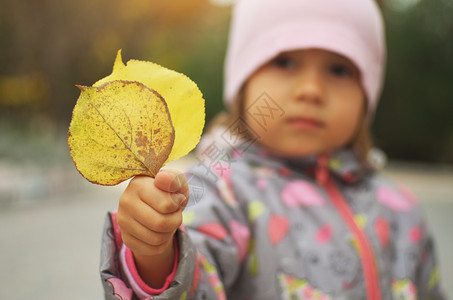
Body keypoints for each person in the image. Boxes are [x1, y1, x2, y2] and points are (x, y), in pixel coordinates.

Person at [99, 0, 446, 299]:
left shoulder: (400, 210)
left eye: (339, 69)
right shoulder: (215, 187)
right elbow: (195, 278)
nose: (311, 89)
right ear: (244, 83)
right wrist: (154, 250)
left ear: (367, 94)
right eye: (284, 62)